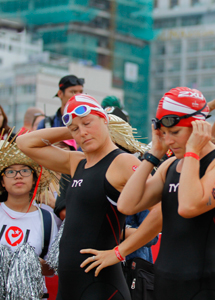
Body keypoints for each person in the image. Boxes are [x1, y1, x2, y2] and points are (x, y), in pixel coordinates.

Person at [115, 87, 215, 300]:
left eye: (175, 133)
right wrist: (154, 154)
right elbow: (126, 205)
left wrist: (192, 151)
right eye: (164, 134)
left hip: (205, 287)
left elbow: (188, 206)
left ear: (199, 128)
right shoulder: (170, 166)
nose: (168, 141)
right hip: (165, 284)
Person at [17, 94, 141, 300]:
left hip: (102, 286)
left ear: (104, 119)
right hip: (69, 286)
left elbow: (161, 213)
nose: (83, 133)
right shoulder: (76, 162)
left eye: (88, 123)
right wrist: (73, 127)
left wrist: (118, 253)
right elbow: (24, 143)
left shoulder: (123, 162)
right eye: (76, 129)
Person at [0, 140, 59, 299]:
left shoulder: (46, 219)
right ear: (2, 182)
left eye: (25, 171)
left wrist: (29, 263)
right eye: (10, 172)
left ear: (34, 179)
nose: (18, 176)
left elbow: (52, 269)